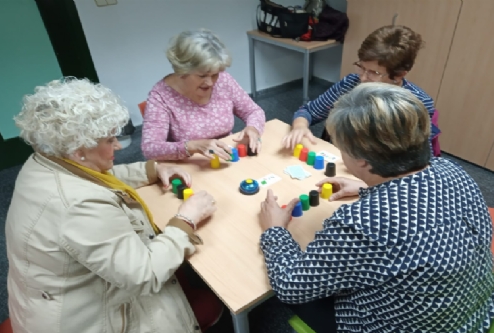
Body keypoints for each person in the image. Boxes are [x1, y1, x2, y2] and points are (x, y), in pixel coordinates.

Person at [259, 83, 494, 332]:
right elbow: (417, 210)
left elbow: (290, 285)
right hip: (473, 313)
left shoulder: (362, 223)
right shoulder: (452, 170)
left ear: (361, 160)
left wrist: (274, 230)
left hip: (405, 325)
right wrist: (367, 188)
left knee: (294, 295)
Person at [6, 78, 222, 333]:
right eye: (110, 140)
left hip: (41, 303)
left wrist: (153, 168)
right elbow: (145, 275)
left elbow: (95, 178)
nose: (118, 145)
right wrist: (186, 219)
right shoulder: (79, 206)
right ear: (79, 151)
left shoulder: (46, 159)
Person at [282, 25, 440, 154]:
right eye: (361, 67)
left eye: (374, 73)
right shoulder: (350, 83)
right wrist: (300, 126)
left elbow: (422, 159)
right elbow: (308, 111)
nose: (363, 78)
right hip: (338, 159)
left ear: (398, 75)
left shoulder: (417, 103)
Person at [141, 29, 266, 161]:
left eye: (215, 74)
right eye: (202, 76)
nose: (210, 82)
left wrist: (253, 128)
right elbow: (150, 148)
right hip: (191, 164)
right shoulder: (161, 96)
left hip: (226, 157)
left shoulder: (224, 80)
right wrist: (193, 146)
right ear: (182, 71)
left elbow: (253, 111)